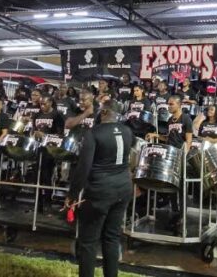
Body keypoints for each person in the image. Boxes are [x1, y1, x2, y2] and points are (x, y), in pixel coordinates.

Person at [67, 100, 132, 277]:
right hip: (123, 188)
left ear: (104, 113)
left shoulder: (93, 133)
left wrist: (72, 194)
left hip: (100, 191)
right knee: (111, 238)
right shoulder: (127, 131)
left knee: (88, 242)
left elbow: (83, 167)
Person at [146, 95, 193, 231]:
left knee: (181, 185)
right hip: (170, 154)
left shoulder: (186, 118)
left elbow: (189, 139)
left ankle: (183, 214)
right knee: (171, 184)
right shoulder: (169, 120)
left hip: (180, 154)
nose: (169, 106)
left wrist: (184, 154)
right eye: (168, 104)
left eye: (171, 104)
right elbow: (168, 137)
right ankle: (175, 211)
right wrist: (156, 136)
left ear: (179, 105)